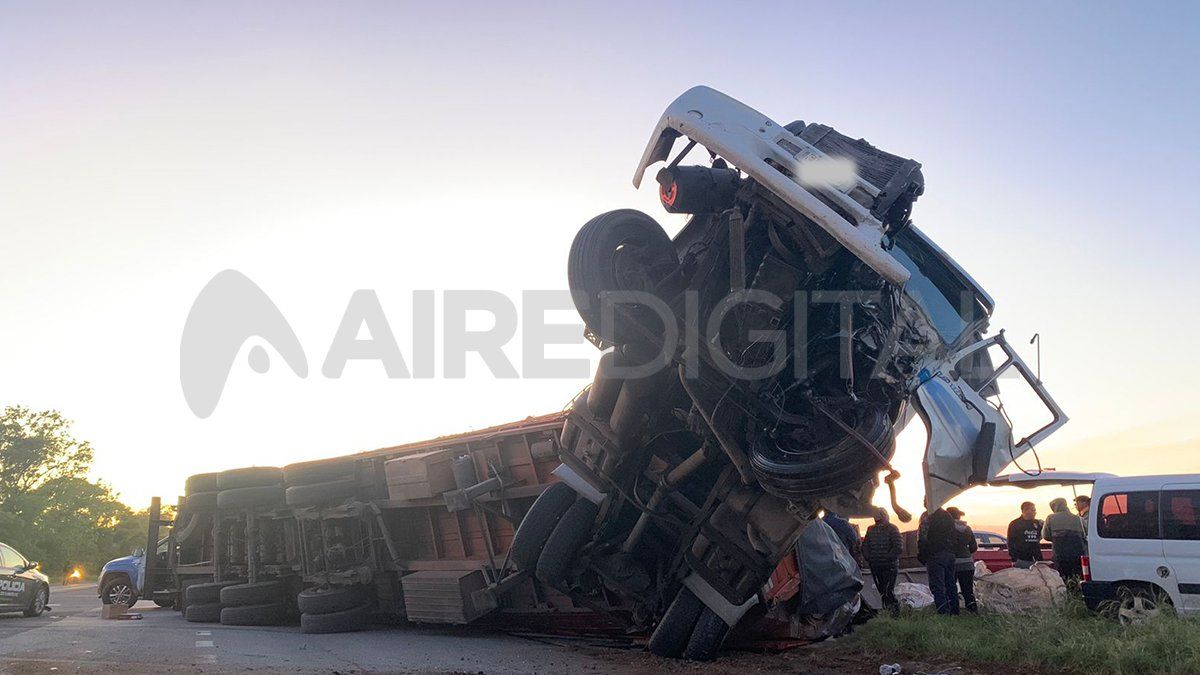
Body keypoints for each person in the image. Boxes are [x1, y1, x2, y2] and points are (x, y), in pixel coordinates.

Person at [918, 507, 958, 615]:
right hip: (949, 554)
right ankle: (954, 611)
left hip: (935, 555)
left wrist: (922, 554)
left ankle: (943, 612)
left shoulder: (927, 516)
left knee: (938, 586)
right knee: (951, 585)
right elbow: (954, 535)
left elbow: (922, 537)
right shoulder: (947, 515)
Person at [862, 508, 903, 611]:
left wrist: (888, 558)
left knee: (887, 590)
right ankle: (889, 612)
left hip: (887, 566)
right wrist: (870, 558)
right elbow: (865, 546)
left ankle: (894, 612)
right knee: (883, 591)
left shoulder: (892, 529)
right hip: (878, 565)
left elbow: (898, 546)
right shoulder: (871, 529)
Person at [1043, 497, 1086, 581]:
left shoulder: (1050, 518)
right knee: (1077, 578)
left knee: (1063, 579)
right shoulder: (1078, 518)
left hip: (1060, 555)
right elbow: (1085, 534)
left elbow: (1045, 535)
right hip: (1077, 554)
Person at [947, 507, 978, 613]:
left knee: (951, 588)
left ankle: (954, 610)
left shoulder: (948, 529)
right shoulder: (967, 528)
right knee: (968, 590)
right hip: (967, 562)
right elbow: (974, 546)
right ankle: (973, 610)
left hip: (953, 562)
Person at [1006, 501, 1043, 568]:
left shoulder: (1037, 523)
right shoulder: (1015, 524)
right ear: (1026, 510)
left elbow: (1043, 535)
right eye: (1033, 510)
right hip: (1021, 559)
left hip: (1037, 558)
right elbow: (1010, 542)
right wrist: (1014, 559)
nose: (1035, 512)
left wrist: (1044, 525)